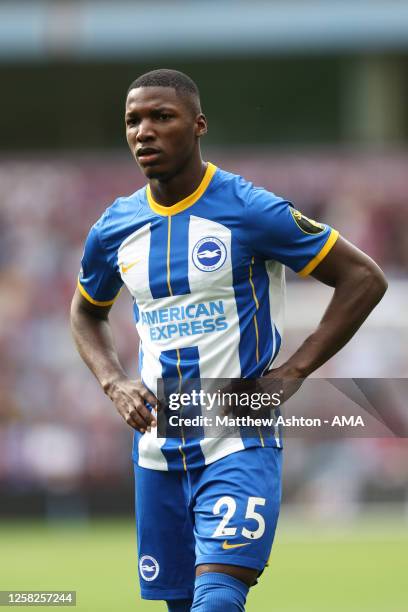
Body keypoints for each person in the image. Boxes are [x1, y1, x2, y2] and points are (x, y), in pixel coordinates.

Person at [70, 69, 387, 611]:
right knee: (184, 603)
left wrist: (291, 372)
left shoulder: (249, 209)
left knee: (217, 599)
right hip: (158, 449)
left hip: (238, 437)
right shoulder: (114, 227)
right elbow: (85, 312)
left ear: (198, 126)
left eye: (161, 117)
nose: (143, 131)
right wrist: (113, 380)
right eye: (133, 121)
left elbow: (364, 278)